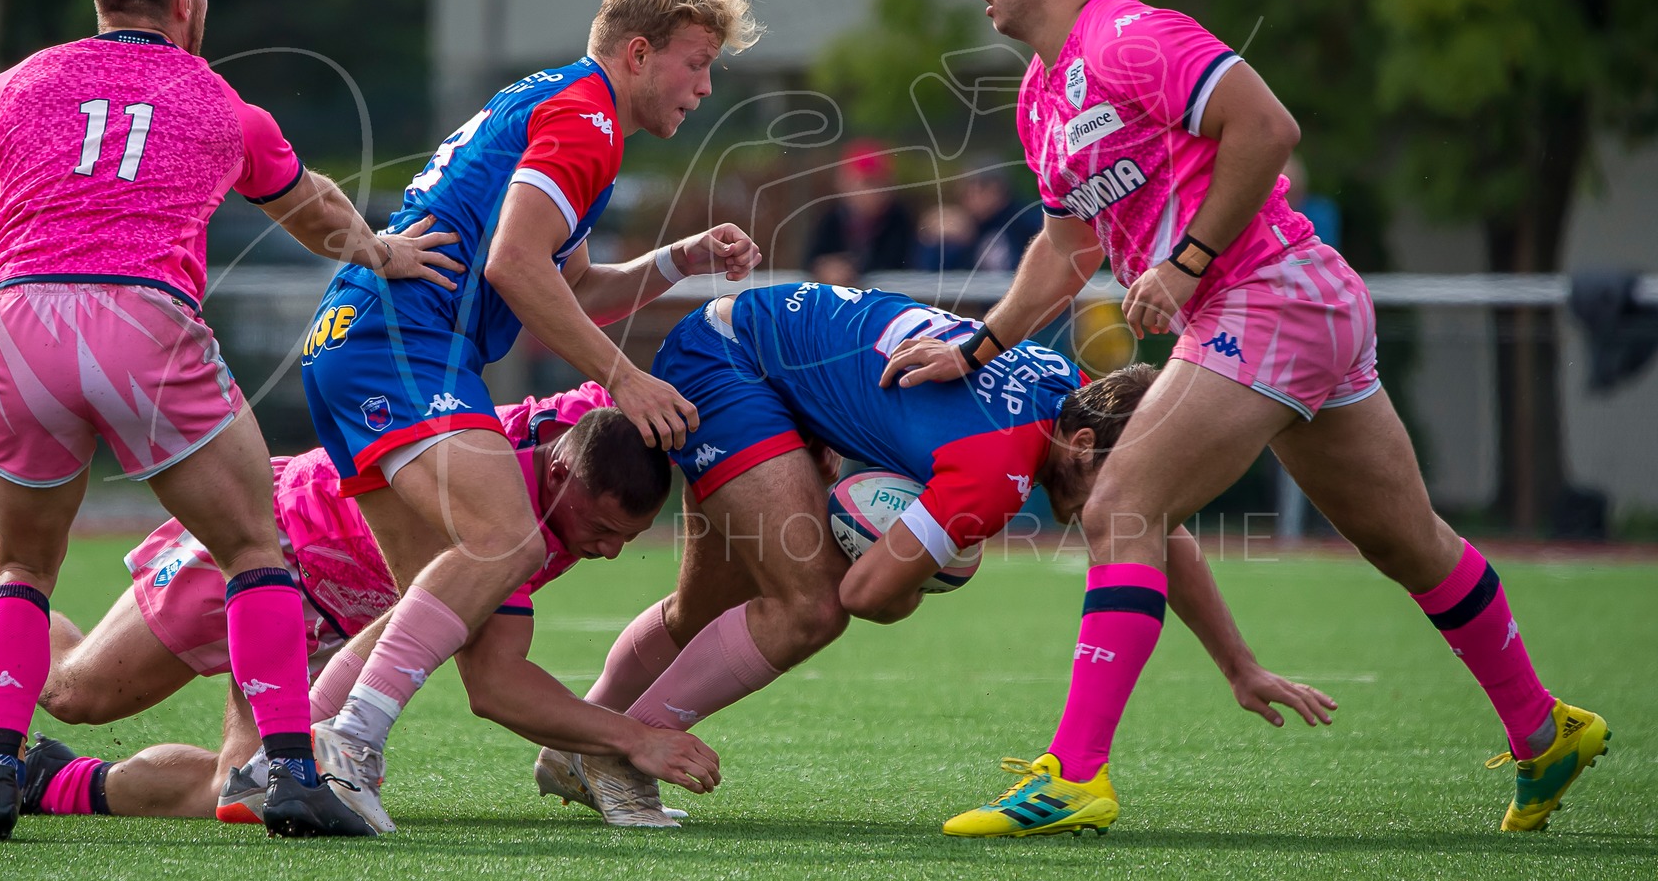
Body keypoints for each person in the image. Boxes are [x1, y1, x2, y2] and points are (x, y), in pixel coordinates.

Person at [881, 0, 1607, 837]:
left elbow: (1266, 127)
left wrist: (1182, 264)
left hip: (1267, 296)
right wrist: (973, 349)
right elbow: (1064, 254)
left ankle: (1073, 774)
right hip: (1288, 309)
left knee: (1122, 503)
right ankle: (1542, 726)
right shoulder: (1040, 97)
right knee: (1406, 542)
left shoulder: (1132, 37)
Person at [0, 0, 465, 842]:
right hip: (142, 319)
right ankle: (291, 773)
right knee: (255, 546)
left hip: (16, 323)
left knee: (18, 567)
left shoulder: (6, 90)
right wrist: (381, 251)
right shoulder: (219, 101)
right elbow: (311, 207)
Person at [295, 0, 764, 832]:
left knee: (460, 624)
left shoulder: (565, 105)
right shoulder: (587, 119)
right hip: (403, 347)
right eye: (696, 64)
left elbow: (568, 288)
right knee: (506, 538)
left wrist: (678, 260)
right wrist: (625, 375)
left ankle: (295, 754)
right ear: (636, 52)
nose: (704, 87)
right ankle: (348, 746)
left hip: (357, 348)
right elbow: (516, 265)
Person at [563, 282, 1331, 808]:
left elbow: (1152, 525)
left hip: (749, 342)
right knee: (811, 607)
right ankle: (617, 748)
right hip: (729, 361)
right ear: (1086, 444)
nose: (1132, 508)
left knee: (706, 607)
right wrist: (908, 578)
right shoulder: (997, 474)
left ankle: (570, 742)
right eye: (1124, 483)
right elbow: (866, 597)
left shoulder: (1067, 385)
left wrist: (1239, 663)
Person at [0, 386, 716, 829]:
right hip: (264, 546)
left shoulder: (587, 428)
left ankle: (47, 779)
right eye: (600, 529)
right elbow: (496, 686)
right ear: (561, 471)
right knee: (74, 689)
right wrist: (632, 737)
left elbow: (618, 358)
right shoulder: (501, 513)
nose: (605, 551)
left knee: (241, 791)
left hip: (334, 616)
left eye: (620, 538)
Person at [805, 139, 916, 283]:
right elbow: (810, 260)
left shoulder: (899, 219)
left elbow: (900, 263)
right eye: (867, 183)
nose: (873, 192)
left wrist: (852, 272)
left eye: (881, 183)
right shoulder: (831, 219)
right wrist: (823, 268)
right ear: (843, 182)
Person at [910, 164, 1035, 273]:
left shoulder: (1023, 221)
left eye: (977, 187)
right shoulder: (968, 226)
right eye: (965, 189)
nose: (969, 196)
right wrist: (936, 239)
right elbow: (932, 275)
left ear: (998, 189)